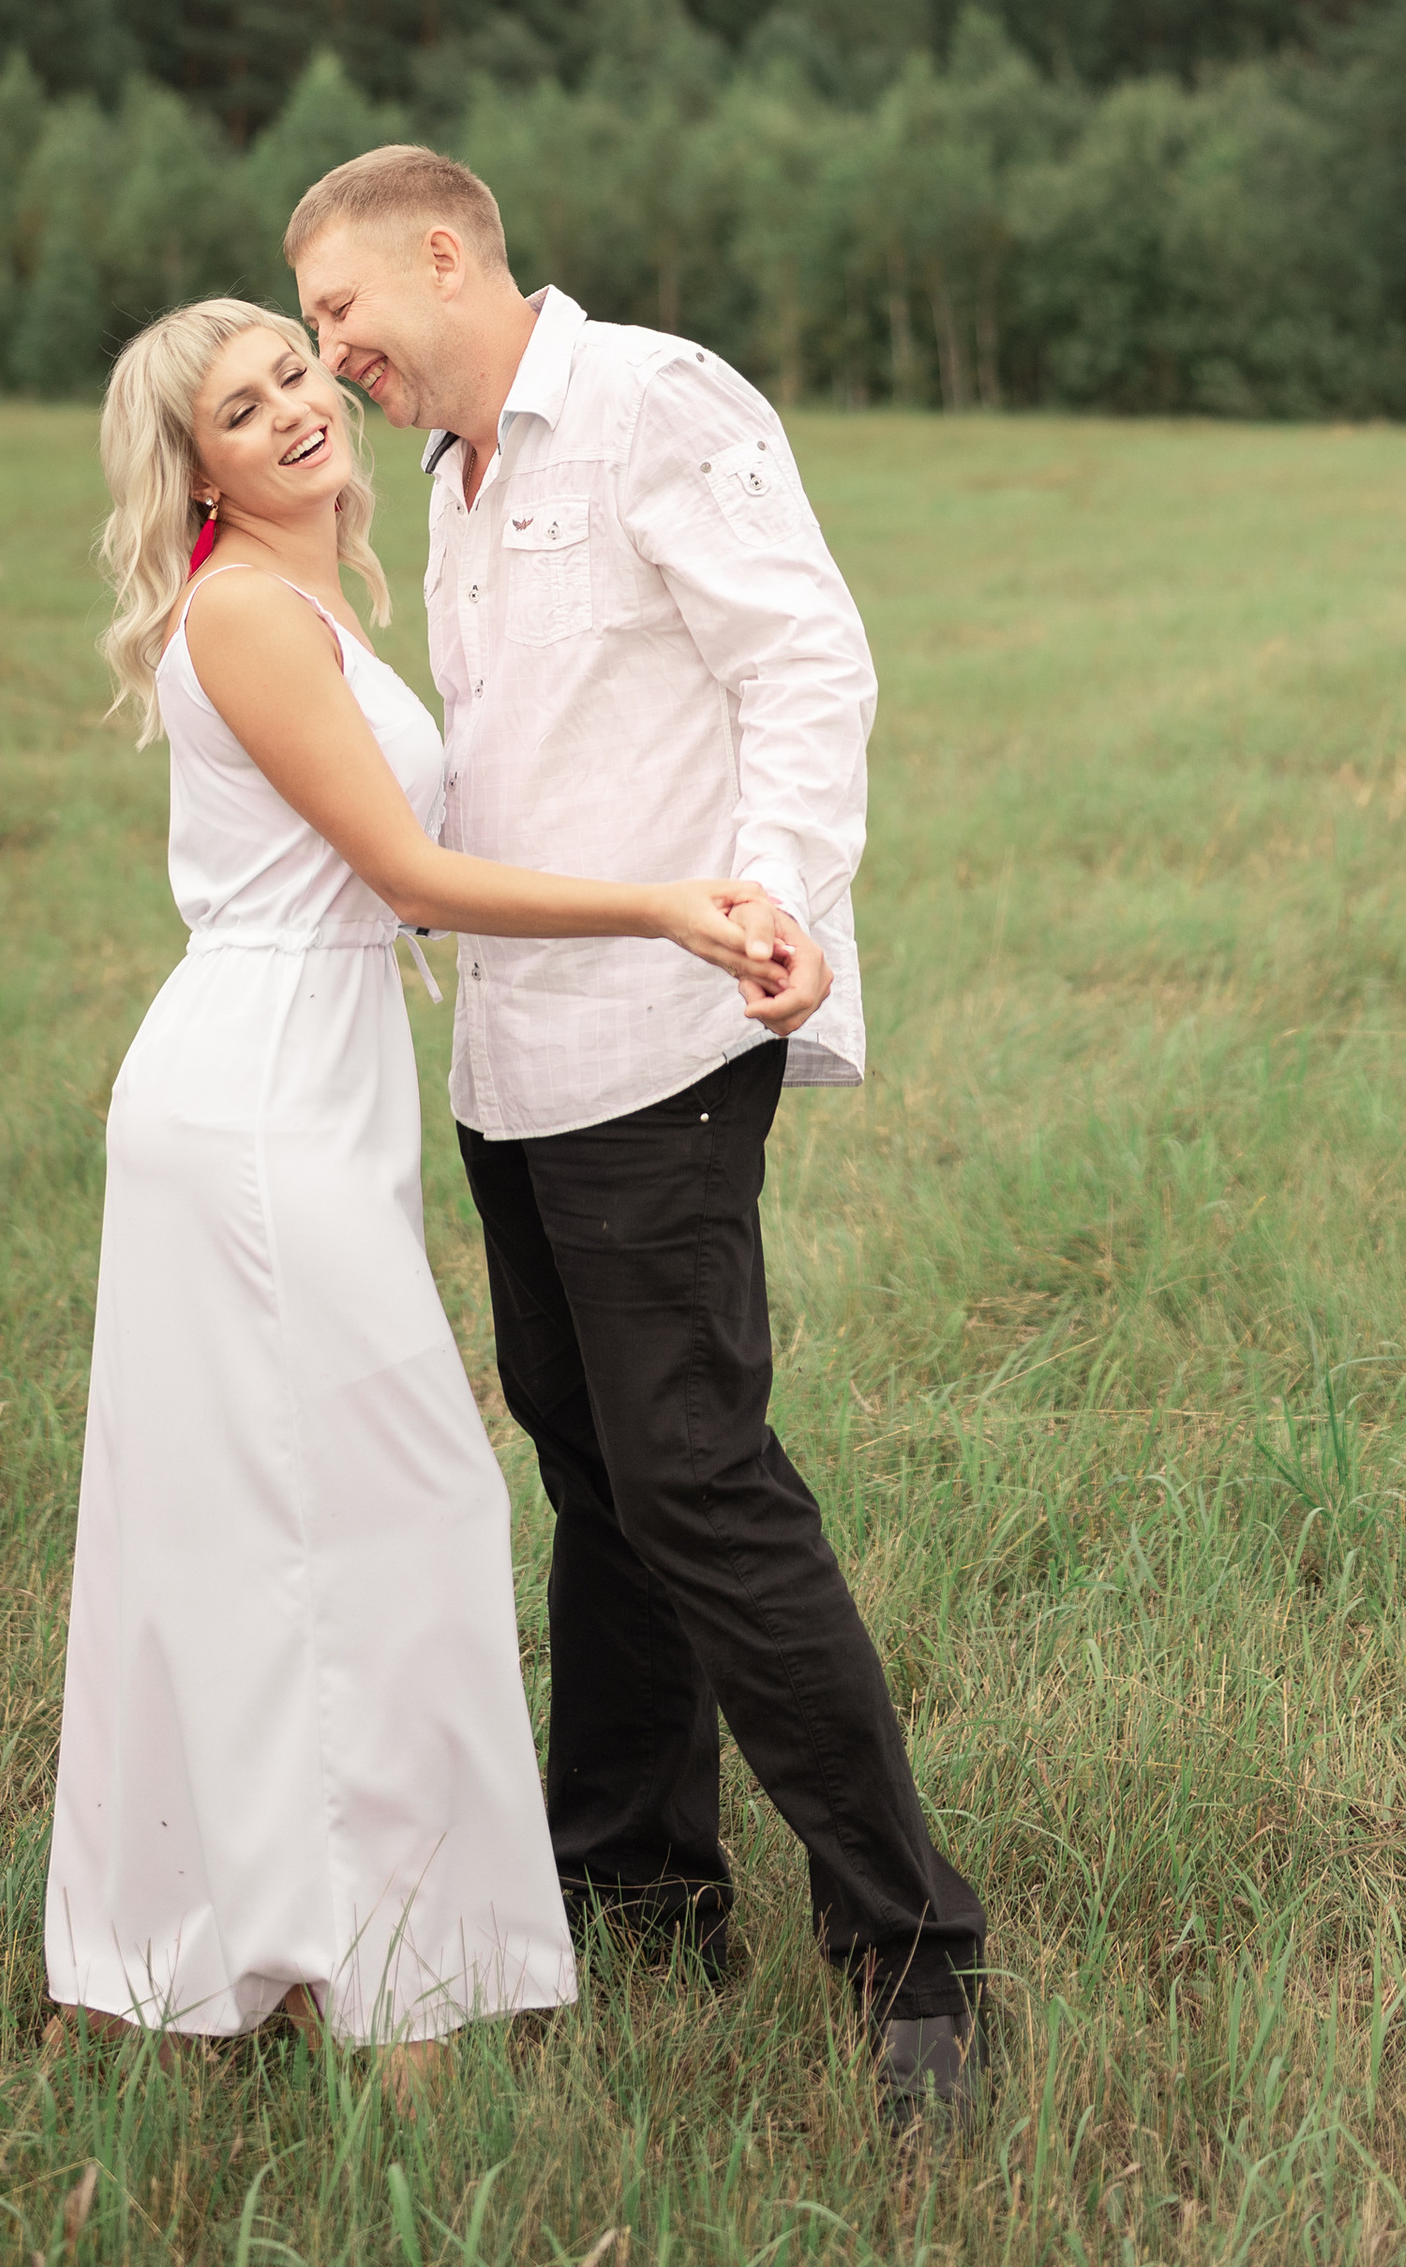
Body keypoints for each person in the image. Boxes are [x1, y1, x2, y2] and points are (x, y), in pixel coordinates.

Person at [287, 147, 988, 2129]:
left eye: (348, 315)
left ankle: (914, 1955)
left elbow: (804, 662)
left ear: (445, 253)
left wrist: (773, 895)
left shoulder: (655, 403)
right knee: (595, 1472)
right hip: (519, 1055)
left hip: (668, 1029)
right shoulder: (452, 471)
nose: (337, 361)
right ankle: (636, 1891)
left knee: (695, 1477)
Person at [43, 294, 795, 2081]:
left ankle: (263, 1958)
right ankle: (393, 1997)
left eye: (299, 370)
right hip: (255, 1102)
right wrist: (668, 902)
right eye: (244, 405)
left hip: (306, 1078)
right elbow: (412, 875)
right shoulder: (243, 614)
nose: (299, 406)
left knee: (284, 1528)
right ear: (197, 467)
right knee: (384, 1519)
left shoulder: (309, 598)